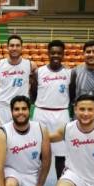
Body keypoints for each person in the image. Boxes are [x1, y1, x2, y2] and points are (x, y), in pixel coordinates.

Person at [0, 95, 51, 186]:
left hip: (31, 174)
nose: (20, 112)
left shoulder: (41, 129)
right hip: (11, 172)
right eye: (17, 109)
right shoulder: (3, 132)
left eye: (24, 109)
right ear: (11, 111)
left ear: (29, 110)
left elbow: (47, 161)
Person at [31, 40, 71, 179]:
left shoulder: (69, 73)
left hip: (61, 113)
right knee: (40, 153)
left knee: (61, 154)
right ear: (48, 53)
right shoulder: (38, 72)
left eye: (59, 53)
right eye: (53, 52)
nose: (56, 55)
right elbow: (33, 93)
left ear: (63, 54)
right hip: (41, 113)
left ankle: (61, 184)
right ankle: (35, 184)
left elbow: (71, 94)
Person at [0, 35, 37, 125]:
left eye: (17, 45)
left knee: (21, 136)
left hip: (21, 107)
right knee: (2, 135)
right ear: (7, 47)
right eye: (12, 45)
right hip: (3, 107)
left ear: (21, 47)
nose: (14, 48)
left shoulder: (30, 65)